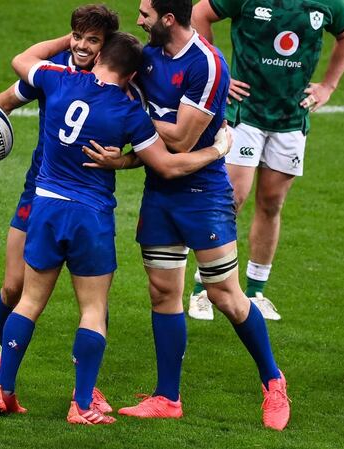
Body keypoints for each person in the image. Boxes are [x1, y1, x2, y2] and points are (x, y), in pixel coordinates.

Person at [0, 31, 231, 424]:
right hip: (91, 217)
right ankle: (81, 405)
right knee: (94, 310)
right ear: (132, 74)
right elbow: (167, 165)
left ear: (98, 56)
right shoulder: (129, 112)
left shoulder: (57, 77)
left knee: (29, 302)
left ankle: (4, 389)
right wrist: (218, 149)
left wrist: (67, 40)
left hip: (46, 207)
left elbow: (23, 58)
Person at [112, 0, 290, 431]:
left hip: (201, 193)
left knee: (223, 295)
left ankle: (273, 381)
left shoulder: (207, 66)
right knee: (162, 293)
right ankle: (167, 397)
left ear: (168, 19)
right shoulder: (148, 56)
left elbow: (182, 139)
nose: (139, 20)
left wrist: (137, 117)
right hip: (160, 191)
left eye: (146, 14)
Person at [0, 5, 118, 412]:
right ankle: (4, 360)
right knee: (14, 288)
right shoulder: (56, 70)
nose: (82, 46)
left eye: (92, 39)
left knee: (92, 301)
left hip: (86, 201)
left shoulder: (118, 81)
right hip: (40, 192)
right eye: (76, 36)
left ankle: (86, 387)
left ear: (108, 46)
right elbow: (4, 102)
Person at [188, 0, 344, 321]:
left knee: (272, 203)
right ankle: (203, 288)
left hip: (292, 117)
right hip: (246, 113)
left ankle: (255, 292)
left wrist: (329, 85)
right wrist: (218, 75)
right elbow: (200, 13)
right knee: (232, 198)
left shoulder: (328, 3)